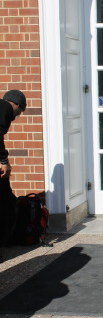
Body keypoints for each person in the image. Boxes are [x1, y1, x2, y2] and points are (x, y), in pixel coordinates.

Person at [0, 90, 26, 246]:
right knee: (4, 203)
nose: (17, 117)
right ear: (16, 104)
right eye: (20, 111)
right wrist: (3, 160)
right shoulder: (4, 107)